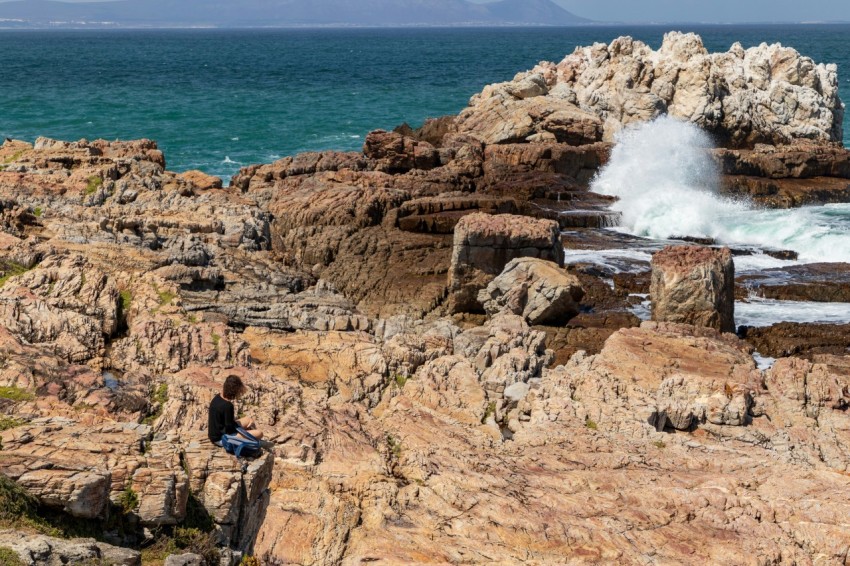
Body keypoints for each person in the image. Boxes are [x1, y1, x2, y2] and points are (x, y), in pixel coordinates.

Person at [208, 375, 264, 446]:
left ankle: (250, 435)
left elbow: (228, 424)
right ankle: (251, 438)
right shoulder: (227, 406)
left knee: (248, 420)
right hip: (221, 438)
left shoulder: (218, 397)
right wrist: (243, 432)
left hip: (216, 433)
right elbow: (230, 430)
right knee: (259, 433)